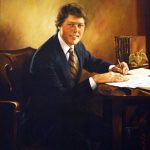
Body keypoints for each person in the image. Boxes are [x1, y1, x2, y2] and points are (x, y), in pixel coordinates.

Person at [21, 3, 129, 150]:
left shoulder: (77, 46)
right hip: (45, 122)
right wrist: (95, 79)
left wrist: (113, 67)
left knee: (117, 131)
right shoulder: (45, 57)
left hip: (68, 113)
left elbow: (91, 61)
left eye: (80, 25)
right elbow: (60, 101)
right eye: (71, 25)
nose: (76, 31)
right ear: (59, 25)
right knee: (86, 143)